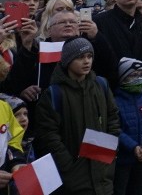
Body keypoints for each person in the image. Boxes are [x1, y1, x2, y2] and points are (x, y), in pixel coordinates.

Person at [35, 37, 121, 195]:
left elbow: (113, 117)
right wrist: (68, 164)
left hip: (102, 173)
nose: (86, 61)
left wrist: (109, 152)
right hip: (72, 177)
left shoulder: (101, 85)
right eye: (80, 57)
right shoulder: (54, 94)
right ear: (68, 60)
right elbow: (48, 134)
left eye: (89, 56)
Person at [114, 57, 142, 195]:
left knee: (141, 188)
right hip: (123, 157)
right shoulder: (115, 101)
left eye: (141, 75)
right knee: (120, 189)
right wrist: (133, 146)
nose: (138, 78)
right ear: (123, 77)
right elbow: (115, 129)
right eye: (133, 75)